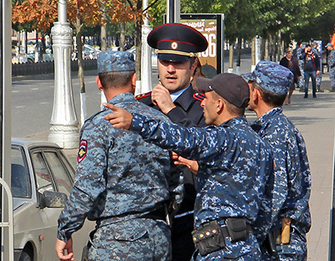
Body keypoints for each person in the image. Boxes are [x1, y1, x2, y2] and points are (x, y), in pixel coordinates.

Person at [104, 73, 274, 260]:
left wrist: (134, 122)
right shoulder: (259, 143)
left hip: (223, 251)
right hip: (246, 247)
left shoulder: (224, 138)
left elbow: (185, 138)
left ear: (219, 105)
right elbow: (265, 205)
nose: (202, 103)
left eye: (206, 98)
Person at [56, 51, 180, 261]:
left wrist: (65, 230)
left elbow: (87, 186)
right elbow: (177, 183)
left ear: (98, 83)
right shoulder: (161, 121)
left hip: (117, 240)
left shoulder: (99, 126)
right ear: (134, 79)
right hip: (158, 237)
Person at [135, 23, 208, 261]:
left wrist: (170, 109)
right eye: (165, 61)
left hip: (188, 221)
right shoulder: (140, 106)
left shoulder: (205, 108)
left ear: (193, 66)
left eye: (178, 63)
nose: (170, 70)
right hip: (143, 224)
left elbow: (204, 150)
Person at [244, 61, 311, 260]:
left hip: (280, 246)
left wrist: (252, 235)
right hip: (280, 240)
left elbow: (276, 194)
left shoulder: (275, 134)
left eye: (250, 85)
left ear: (256, 93)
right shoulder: (276, 127)